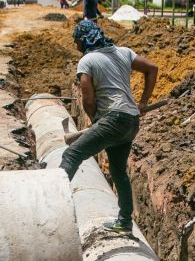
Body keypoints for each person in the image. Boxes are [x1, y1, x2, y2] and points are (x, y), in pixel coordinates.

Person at [59, 19, 157, 234]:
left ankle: (54, 210)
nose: (76, 47)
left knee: (71, 155)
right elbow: (152, 68)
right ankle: (124, 222)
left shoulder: (87, 60)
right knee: (118, 171)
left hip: (113, 120)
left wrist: (96, 121)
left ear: (83, 40)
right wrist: (143, 103)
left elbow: (88, 99)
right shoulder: (124, 52)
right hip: (131, 121)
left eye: (76, 42)